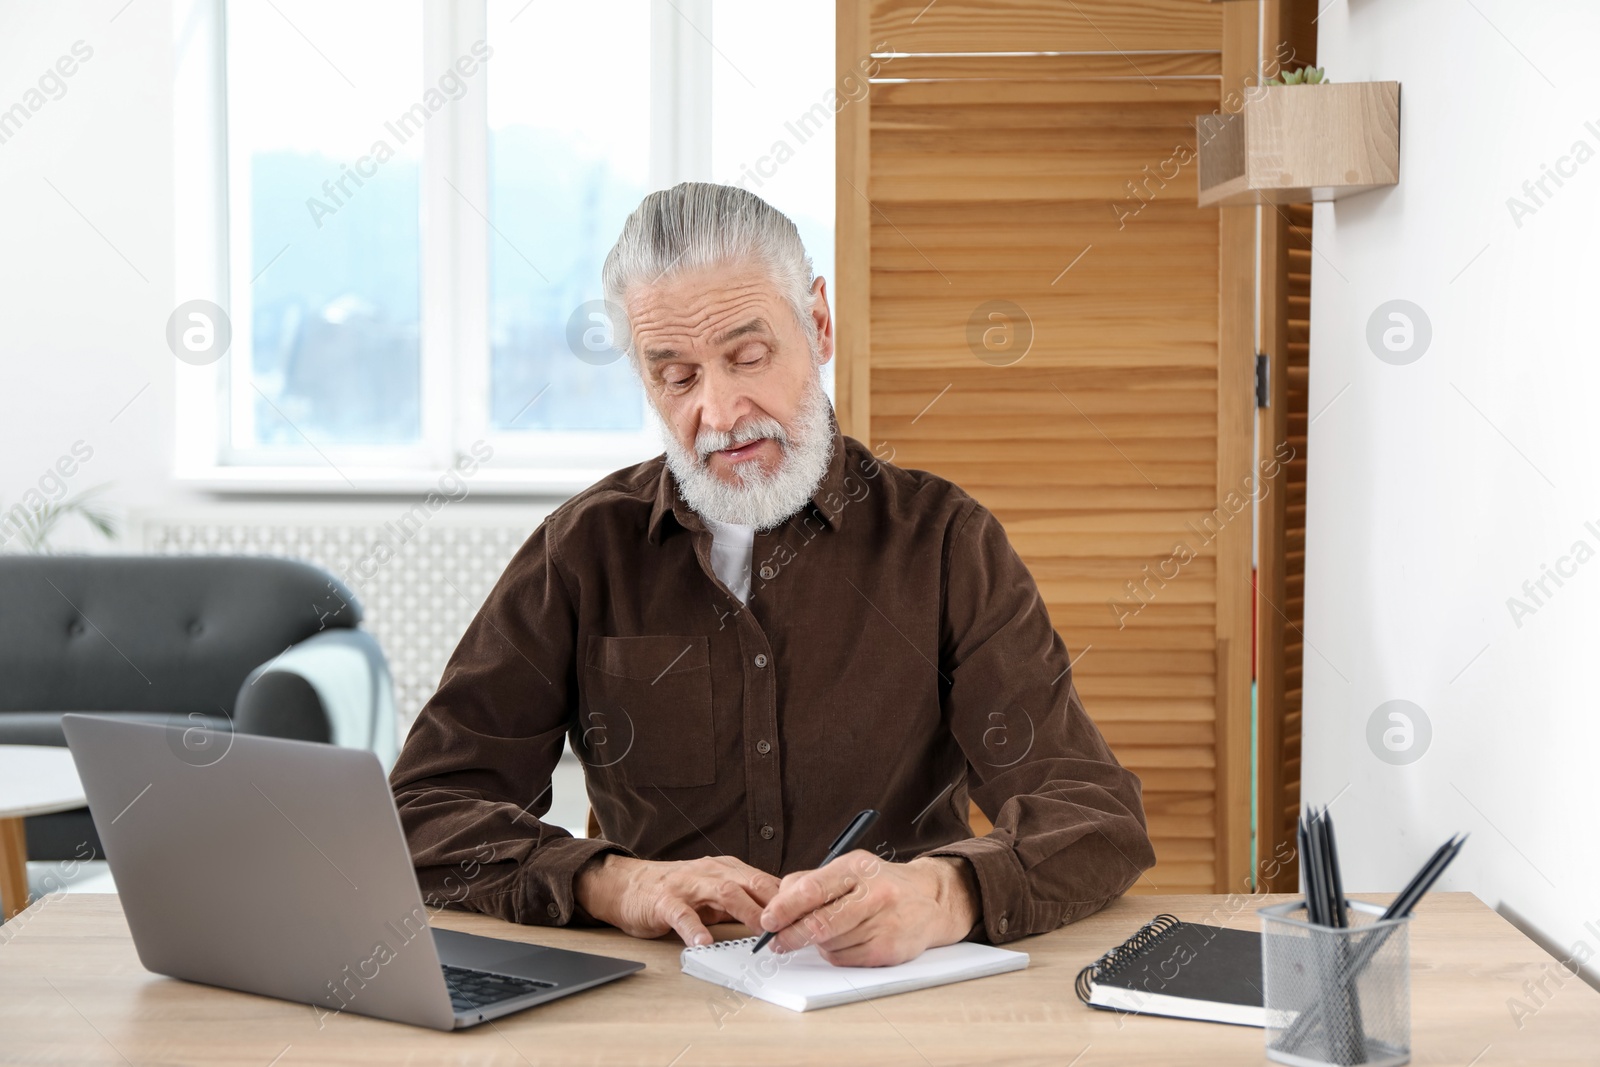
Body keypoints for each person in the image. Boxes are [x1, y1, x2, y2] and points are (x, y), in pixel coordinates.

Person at [389, 182, 1155, 967]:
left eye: (747, 358)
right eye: (678, 377)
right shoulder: (583, 550)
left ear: (819, 325)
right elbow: (422, 811)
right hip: (654, 1007)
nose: (720, 413)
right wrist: (612, 883)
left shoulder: (945, 543)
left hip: (900, 997)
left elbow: (1094, 816)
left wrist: (942, 894)